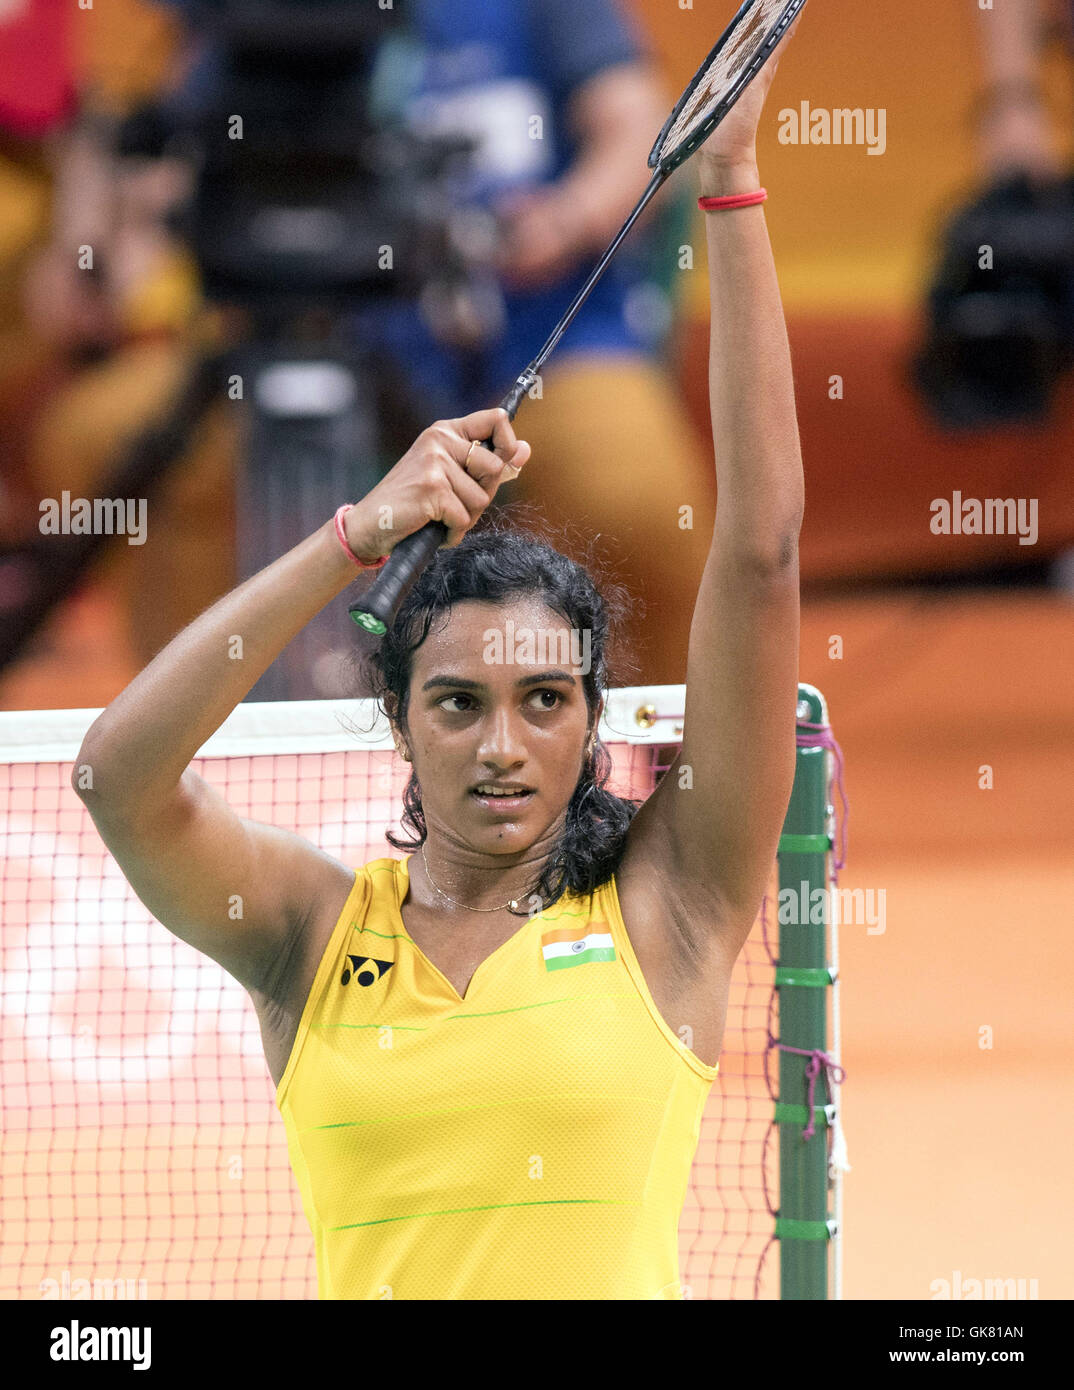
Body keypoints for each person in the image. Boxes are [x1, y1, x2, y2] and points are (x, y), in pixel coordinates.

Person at [72, 37, 804, 1299]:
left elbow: (760, 550)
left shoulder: (666, 910)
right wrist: (350, 536)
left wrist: (731, 178)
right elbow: (114, 778)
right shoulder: (309, 933)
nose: (503, 744)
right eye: (457, 702)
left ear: (593, 722)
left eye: (546, 701)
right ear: (400, 722)